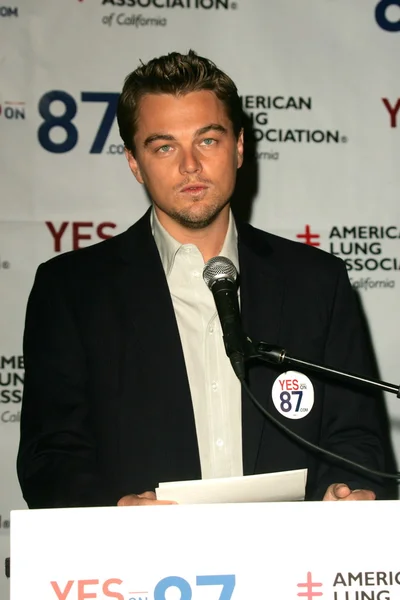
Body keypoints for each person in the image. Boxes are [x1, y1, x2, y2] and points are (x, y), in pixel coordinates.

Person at [17, 50, 386, 508]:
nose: (190, 165)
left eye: (207, 141)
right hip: (142, 570)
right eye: (164, 146)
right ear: (135, 163)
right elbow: (49, 456)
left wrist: (344, 492)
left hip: (291, 568)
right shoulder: (71, 291)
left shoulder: (317, 282)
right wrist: (114, 511)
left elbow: (356, 439)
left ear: (238, 147)